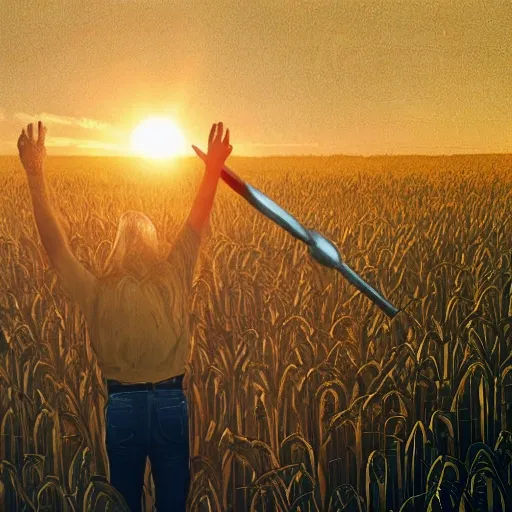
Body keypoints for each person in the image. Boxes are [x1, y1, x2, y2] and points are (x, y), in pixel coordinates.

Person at [17, 120, 232, 511]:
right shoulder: (174, 276)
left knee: (124, 501)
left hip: (123, 407)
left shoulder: (98, 292)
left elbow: (55, 247)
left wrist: (35, 175)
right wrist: (213, 168)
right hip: (170, 400)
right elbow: (198, 219)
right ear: (154, 245)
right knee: (172, 502)